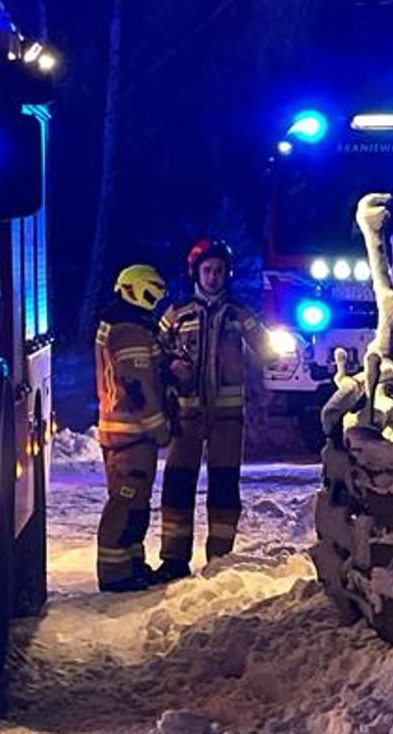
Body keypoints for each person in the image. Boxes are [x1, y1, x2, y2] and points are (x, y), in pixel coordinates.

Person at [152, 239, 272, 582]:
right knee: (177, 486)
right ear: (196, 272)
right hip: (186, 416)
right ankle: (173, 559)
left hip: (227, 419)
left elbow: (267, 350)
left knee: (223, 488)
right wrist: (171, 365)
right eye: (207, 270)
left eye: (219, 270)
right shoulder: (176, 315)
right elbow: (156, 354)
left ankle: (220, 559)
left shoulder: (239, 314)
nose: (213, 276)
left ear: (227, 274)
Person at [93, 264, 175, 592]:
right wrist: (158, 426)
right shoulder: (129, 330)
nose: (155, 300)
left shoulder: (125, 325)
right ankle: (115, 573)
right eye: (153, 291)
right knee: (126, 500)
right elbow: (138, 384)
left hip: (128, 433)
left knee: (136, 501)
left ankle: (131, 564)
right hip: (131, 434)